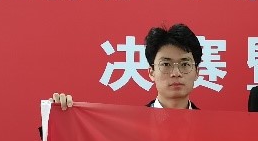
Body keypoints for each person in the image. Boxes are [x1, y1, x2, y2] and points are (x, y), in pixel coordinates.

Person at [51, 23, 203, 112]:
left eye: (185, 64)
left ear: (197, 72)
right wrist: (61, 117)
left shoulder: (210, 129)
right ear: (151, 72)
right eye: (166, 64)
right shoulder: (129, 126)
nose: (176, 73)